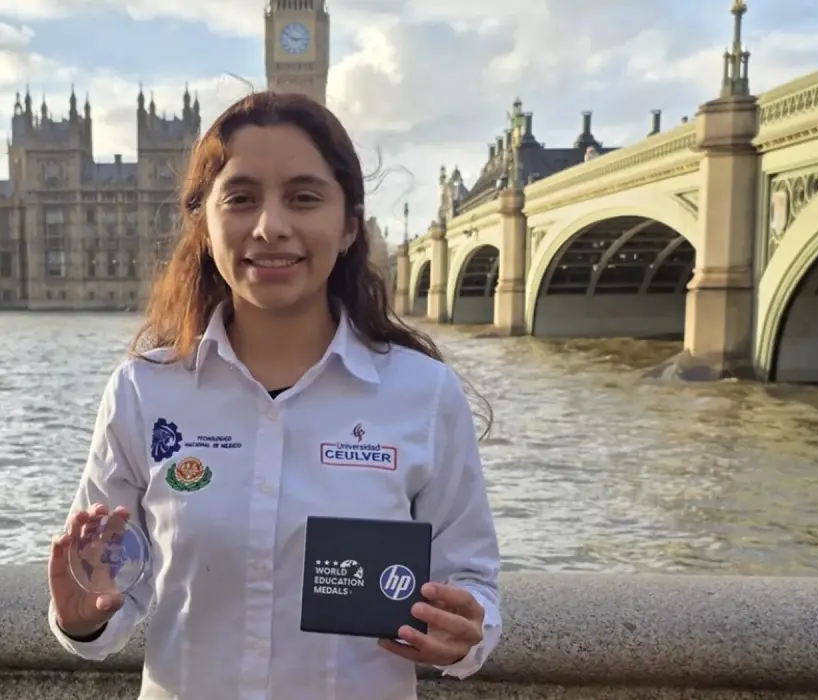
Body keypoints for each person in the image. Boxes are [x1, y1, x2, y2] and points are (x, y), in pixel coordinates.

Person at [47, 90, 502, 699]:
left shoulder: (421, 393)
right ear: (203, 225)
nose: (271, 226)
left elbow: (472, 579)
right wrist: (83, 617)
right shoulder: (143, 391)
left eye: (304, 197)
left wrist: (466, 629)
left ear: (348, 226)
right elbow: (110, 590)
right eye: (240, 198)